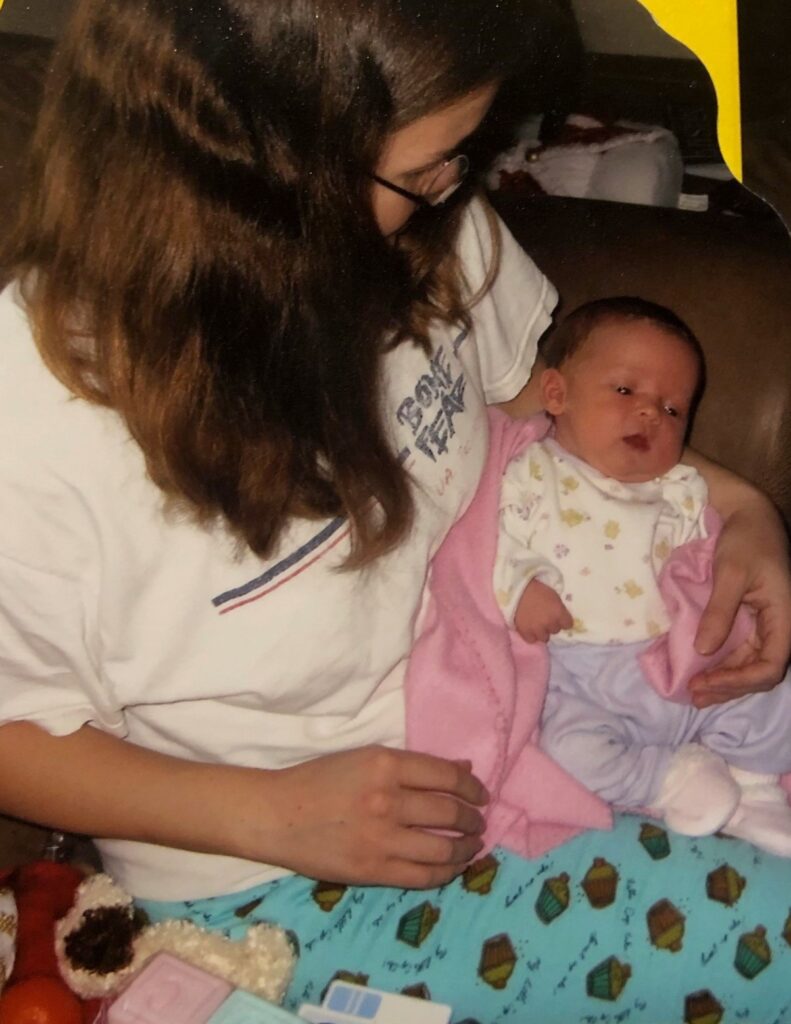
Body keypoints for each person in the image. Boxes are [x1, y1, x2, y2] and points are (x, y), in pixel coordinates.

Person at [1, 1, 790, 1020]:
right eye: (423, 170)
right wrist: (277, 813)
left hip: (546, 699)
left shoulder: (429, 229)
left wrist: (746, 513)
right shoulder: (33, 412)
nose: (454, 194)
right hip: (274, 871)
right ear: (249, 155)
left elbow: (537, 409)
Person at [494, 297, 791, 856]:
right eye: (626, 391)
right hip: (579, 676)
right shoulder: (532, 471)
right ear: (555, 394)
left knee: (770, 693)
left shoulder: (680, 487)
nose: (653, 413)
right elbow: (500, 538)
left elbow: (707, 559)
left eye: (674, 409)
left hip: (678, 661)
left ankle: (755, 787)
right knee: (566, 750)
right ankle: (668, 778)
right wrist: (523, 585)